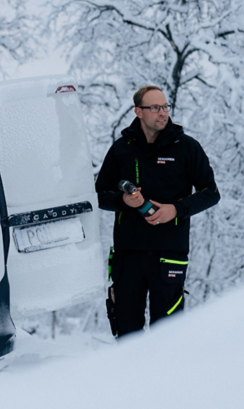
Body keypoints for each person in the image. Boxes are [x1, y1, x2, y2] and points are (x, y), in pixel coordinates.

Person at [96, 85, 220, 337]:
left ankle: (166, 376)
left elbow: (211, 193)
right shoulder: (122, 149)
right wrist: (123, 201)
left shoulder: (186, 147)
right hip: (128, 254)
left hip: (169, 252)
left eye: (165, 107)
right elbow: (99, 194)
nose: (162, 113)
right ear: (138, 112)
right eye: (155, 108)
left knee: (167, 334)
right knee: (127, 333)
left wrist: (176, 209)